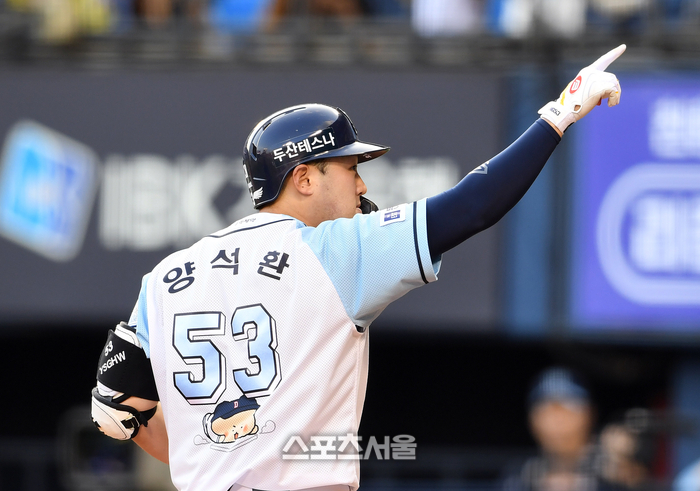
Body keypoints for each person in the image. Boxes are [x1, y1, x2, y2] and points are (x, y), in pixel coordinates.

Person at [90, 45, 626, 491]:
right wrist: (559, 114)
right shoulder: (334, 252)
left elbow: (115, 413)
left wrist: (212, 462)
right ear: (304, 178)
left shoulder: (165, 278)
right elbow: (472, 206)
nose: (362, 184)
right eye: (349, 168)